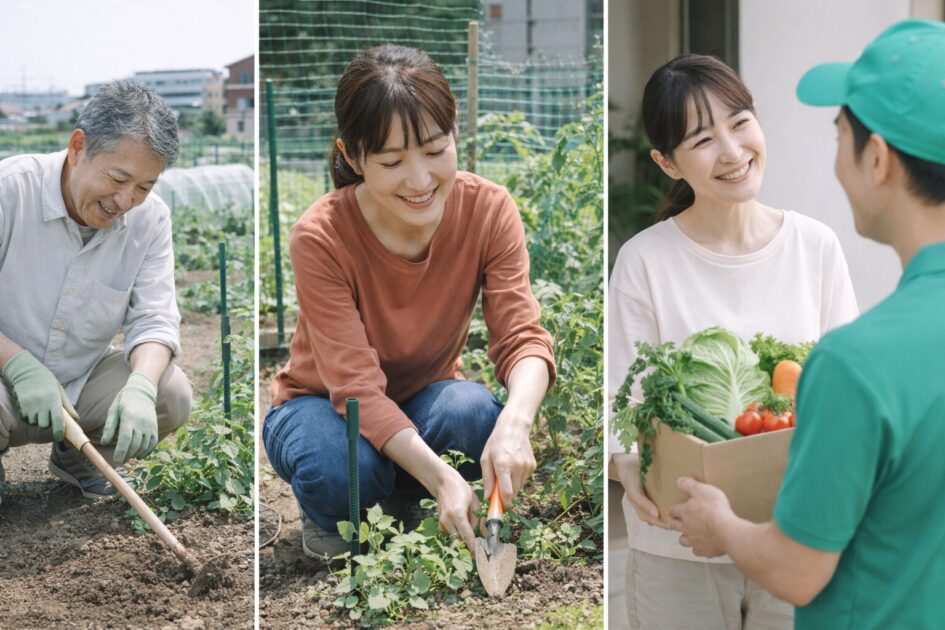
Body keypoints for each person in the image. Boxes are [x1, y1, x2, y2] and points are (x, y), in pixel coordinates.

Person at [669, 19, 945, 629]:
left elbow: (798, 568)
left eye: (838, 132)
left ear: (876, 159)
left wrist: (721, 524)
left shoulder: (857, 363)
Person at [263, 44, 556, 560]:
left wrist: (516, 422)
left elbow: (522, 337)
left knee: (475, 414)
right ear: (353, 157)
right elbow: (355, 390)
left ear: (455, 132)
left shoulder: (488, 210)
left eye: (435, 150)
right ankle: (351, 509)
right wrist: (444, 477)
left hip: (425, 399)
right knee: (342, 466)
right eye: (392, 161)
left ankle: (408, 494)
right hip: (325, 407)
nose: (421, 181)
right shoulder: (321, 236)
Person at [608, 54, 859, 628]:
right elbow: (623, 405)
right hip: (677, 540)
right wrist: (625, 466)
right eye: (701, 139)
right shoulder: (645, 260)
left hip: (792, 534)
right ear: (666, 163)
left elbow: (846, 395)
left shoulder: (814, 247)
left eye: (740, 121)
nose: (731, 150)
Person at [0, 80, 192, 503]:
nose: (125, 200)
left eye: (144, 187)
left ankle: (78, 459)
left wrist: (141, 385)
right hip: (4, 385)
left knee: (170, 393)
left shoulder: (151, 221)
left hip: (78, 385)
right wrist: (18, 365)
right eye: (118, 178)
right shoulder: (10, 190)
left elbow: (155, 317)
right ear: (77, 146)